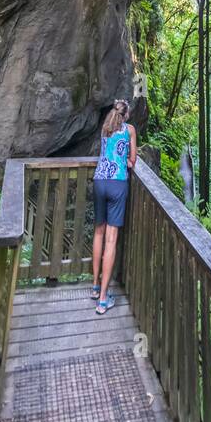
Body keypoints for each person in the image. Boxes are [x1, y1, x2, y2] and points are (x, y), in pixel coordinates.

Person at [91, 99, 136, 314]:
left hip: (99, 181)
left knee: (98, 233)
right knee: (111, 239)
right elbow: (132, 159)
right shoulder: (129, 130)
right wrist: (125, 161)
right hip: (118, 183)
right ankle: (102, 300)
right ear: (126, 115)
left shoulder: (105, 127)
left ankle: (94, 286)